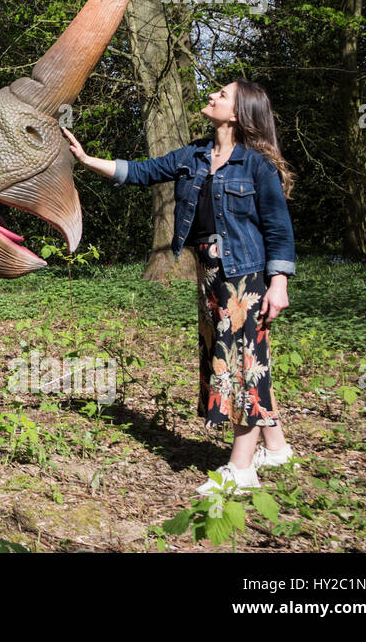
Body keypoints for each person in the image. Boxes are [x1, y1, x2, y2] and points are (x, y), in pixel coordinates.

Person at [62, 80, 297, 494]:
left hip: (245, 276)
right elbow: (141, 171)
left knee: (243, 368)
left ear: (240, 113)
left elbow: (279, 228)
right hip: (210, 276)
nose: (211, 96)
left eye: (221, 95)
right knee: (240, 360)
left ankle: (241, 470)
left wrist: (279, 283)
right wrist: (85, 160)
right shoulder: (194, 154)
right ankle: (275, 447)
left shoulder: (256, 165)